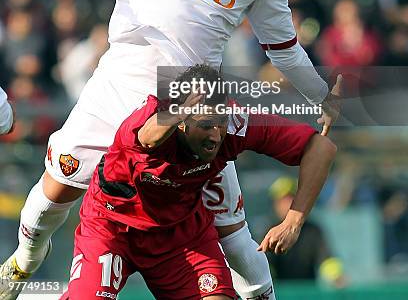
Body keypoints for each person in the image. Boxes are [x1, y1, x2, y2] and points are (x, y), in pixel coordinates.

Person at [1, 0, 341, 300]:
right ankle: (23, 263)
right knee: (55, 191)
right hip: (121, 78)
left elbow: (284, 50)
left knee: (233, 234)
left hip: (192, 104)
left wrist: (321, 95)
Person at [60, 65, 337, 299]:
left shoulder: (234, 126)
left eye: (220, 123)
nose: (216, 136)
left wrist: (293, 222)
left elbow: (322, 149)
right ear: (181, 122)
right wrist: (180, 111)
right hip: (112, 228)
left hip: (180, 235)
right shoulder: (147, 121)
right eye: (206, 125)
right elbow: (148, 136)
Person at [267, 177, 346, 287]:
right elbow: (265, 264)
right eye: (282, 200)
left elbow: (326, 259)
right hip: (279, 294)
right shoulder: (269, 231)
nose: (287, 204)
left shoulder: (313, 231)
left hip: (307, 293)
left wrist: (337, 277)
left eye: (290, 199)